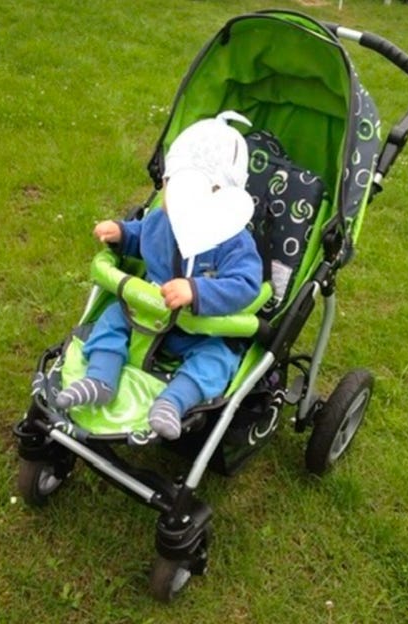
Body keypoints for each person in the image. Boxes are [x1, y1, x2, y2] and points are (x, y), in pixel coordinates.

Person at [56, 111, 263, 440]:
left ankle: (172, 402)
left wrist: (197, 291)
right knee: (111, 319)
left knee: (218, 359)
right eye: (170, 184)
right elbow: (142, 237)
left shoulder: (235, 243)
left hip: (201, 329)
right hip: (146, 312)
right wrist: (122, 233)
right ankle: (101, 378)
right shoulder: (160, 221)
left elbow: (246, 285)